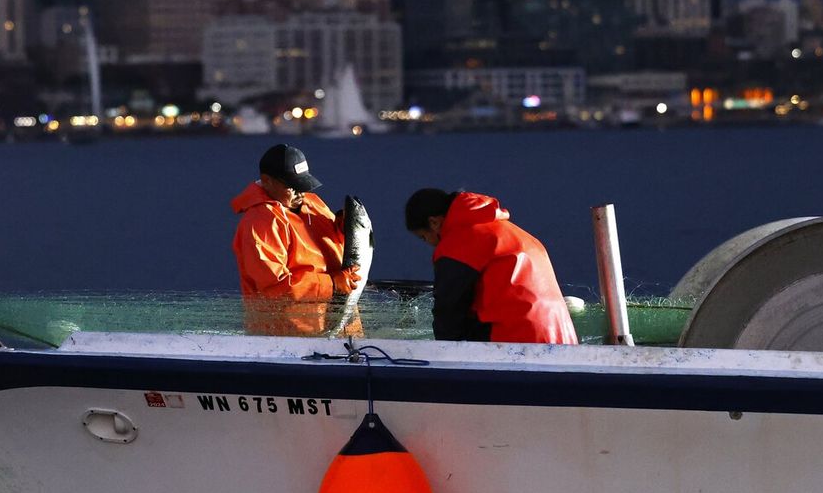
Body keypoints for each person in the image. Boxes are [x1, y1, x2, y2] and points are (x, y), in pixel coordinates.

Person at [404, 188, 577, 344]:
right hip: (562, 339)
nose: (429, 244)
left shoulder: (459, 242)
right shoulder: (510, 231)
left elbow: (449, 311)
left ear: (434, 222)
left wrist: (443, 359)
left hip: (515, 341)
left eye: (423, 237)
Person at [231, 144, 364, 336]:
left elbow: (334, 247)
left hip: (342, 331)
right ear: (267, 181)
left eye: (304, 184)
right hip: (291, 339)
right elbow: (274, 287)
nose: (301, 193)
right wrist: (332, 284)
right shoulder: (260, 222)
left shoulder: (312, 202)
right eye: (292, 186)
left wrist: (344, 229)